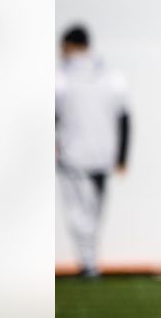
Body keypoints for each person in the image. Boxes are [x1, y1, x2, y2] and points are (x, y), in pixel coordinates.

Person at [56, 25, 131, 278]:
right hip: (103, 156)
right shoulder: (111, 76)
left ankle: (88, 264)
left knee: (80, 213)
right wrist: (121, 156)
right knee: (94, 212)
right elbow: (124, 118)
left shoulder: (61, 77)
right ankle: (90, 262)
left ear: (68, 45)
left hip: (73, 156)